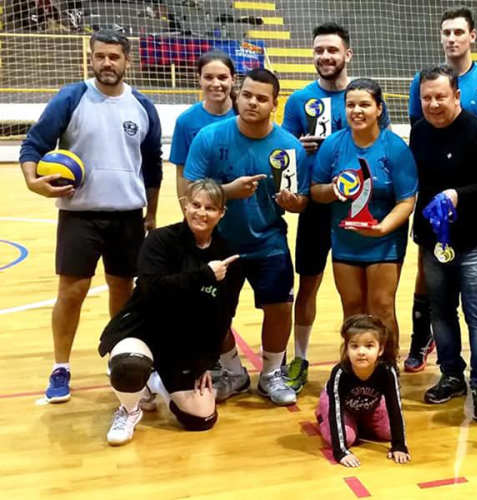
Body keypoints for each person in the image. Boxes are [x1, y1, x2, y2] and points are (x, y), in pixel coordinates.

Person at [19, 29, 162, 403]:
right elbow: (33, 145)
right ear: (91, 58)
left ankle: (120, 357)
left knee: (123, 292)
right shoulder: (71, 97)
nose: (106, 63)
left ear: (127, 60)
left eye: (114, 56)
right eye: (100, 56)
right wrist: (34, 183)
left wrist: (151, 214)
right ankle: (60, 367)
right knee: (72, 293)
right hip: (79, 216)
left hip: (128, 215)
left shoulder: (142, 106)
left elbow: (152, 166)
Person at [183, 68, 309, 406]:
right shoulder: (210, 137)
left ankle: (271, 374)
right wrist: (227, 191)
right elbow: (191, 191)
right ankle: (232, 373)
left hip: (269, 241)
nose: (253, 102)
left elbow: (302, 201)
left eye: (262, 98)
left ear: (274, 104)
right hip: (219, 244)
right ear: (238, 96)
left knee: (279, 307)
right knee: (213, 312)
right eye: (248, 95)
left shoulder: (289, 146)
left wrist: (294, 203)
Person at [281, 22, 390, 393]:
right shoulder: (299, 100)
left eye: (332, 50)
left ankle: (374, 364)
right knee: (307, 284)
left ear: (348, 54)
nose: (325, 56)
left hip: (358, 208)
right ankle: (300, 358)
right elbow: (284, 149)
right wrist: (298, 145)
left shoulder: (364, 96)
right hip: (316, 203)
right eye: (319, 50)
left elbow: (384, 145)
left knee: (368, 295)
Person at [98, 179, 237, 445]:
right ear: (185, 206)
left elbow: (223, 315)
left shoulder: (227, 254)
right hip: (143, 329)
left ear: (222, 213)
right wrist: (205, 274)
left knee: (201, 419)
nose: (201, 213)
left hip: (182, 344)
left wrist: (206, 363)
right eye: (196, 205)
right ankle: (129, 410)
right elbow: (153, 288)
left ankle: (155, 381)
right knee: (129, 365)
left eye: (210, 208)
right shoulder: (161, 240)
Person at [405, 6, 477, 373]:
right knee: (442, 311)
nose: (433, 104)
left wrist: (459, 195)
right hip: (435, 240)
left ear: (457, 96)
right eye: (427, 98)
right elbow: (417, 182)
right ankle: (450, 375)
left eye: (440, 97)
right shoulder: (419, 132)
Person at [311, 78, 418, 355]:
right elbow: (315, 191)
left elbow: (406, 201)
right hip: (345, 240)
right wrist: (334, 189)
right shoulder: (333, 144)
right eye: (350, 105)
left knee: (381, 307)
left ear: (379, 109)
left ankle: (388, 365)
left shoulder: (395, 148)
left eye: (364, 105)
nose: (356, 111)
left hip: (384, 241)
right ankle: (354, 368)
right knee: (353, 309)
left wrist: (382, 228)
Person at [316, 315, 410, 468]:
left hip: (369, 404)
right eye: (354, 346)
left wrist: (399, 445)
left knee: (388, 433)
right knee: (347, 438)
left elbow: (395, 407)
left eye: (369, 346)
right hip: (340, 406)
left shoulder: (387, 371)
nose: (361, 352)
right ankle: (322, 415)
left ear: (380, 349)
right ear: (347, 349)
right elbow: (336, 411)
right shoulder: (340, 373)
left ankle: (360, 422)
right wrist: (340, 452)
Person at [171, 51, 236, 210]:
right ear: (199, 79)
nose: (216, 83)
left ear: (233, 79)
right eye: (208, 77)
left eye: (222, 77)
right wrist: (187, 212)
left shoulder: (244, 115)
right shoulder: (186, 121)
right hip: (204, 211)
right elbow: (182, 174)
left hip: (241, 208)